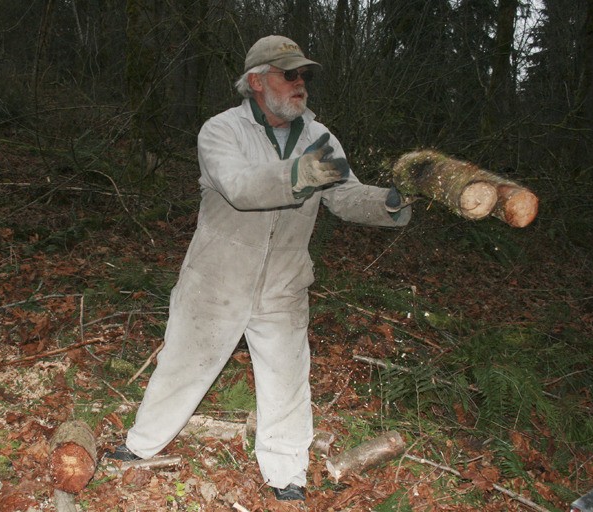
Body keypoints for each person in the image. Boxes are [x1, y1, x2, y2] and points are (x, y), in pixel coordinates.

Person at [105, 35, 413, 501]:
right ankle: (141, 446)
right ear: (255, 81)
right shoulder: (221, 131)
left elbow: (346, 196)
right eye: (289, 74)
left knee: (288, 378)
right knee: (182, 365)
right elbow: (240, 187)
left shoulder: (320, 139)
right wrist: (300, 174)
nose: (300, 84)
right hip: (217, 279)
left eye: (303, 76)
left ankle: (287, 475)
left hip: (284, 282)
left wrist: (392, 201)